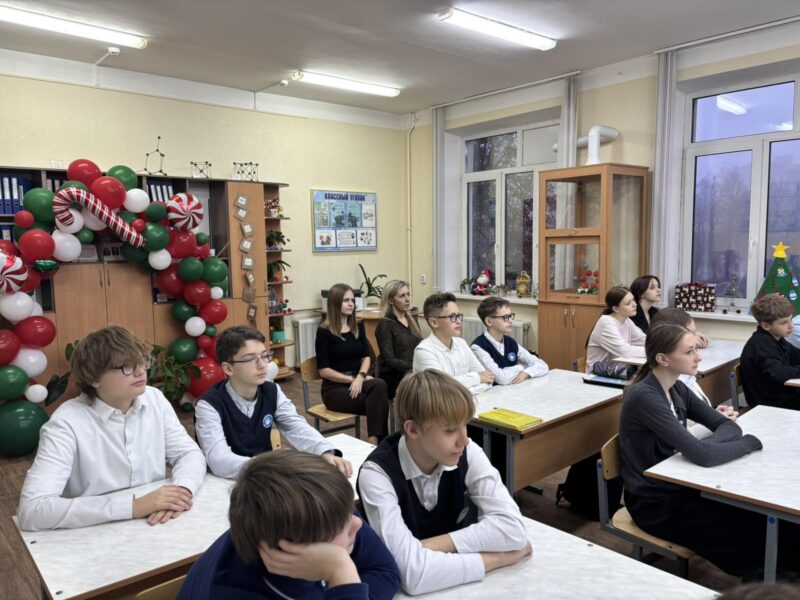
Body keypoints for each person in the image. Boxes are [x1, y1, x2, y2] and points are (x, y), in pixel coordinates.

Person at [620, 323, 800, 578]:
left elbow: (728, 427)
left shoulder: (677, 387)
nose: (699, 357)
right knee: (742, 529)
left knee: (759, 515)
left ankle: (779, 568)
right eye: (689, 352)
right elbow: (705, 455)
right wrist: (748, 443)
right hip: (655, 503)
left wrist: (700, 448)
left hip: (682, 485)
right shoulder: (645, 396)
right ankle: (767, 577)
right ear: (663, 359)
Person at [356, 370, 531, 595]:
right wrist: (499, 558)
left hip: (455, 585)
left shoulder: (467, 451)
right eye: (449, 430)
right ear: (413, 429)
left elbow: (513, 529)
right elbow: (412, 575)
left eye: (465, 425)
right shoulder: (377, 474)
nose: (464, 440)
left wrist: (431, 546)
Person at [17, 325, 206, 531]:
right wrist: (134, 506)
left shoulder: (153, 398)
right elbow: (32, 510)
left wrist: (182, 490)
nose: (140, 371)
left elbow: (188, 453)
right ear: (93, 378)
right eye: (126, 366)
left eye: (142, 361)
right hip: (95, 533)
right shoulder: (65, 423)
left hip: (159, 524)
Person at [178, 449, 401, 600]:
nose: (357, 523)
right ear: (293, 551)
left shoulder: (325, 511)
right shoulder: (233, 591)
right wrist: (341, 572)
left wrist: (343, 587)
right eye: (340, 525)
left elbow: (386, 571)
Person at [195, 325, 351, 479]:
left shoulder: (271, 390)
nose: (263, 365)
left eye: (264, 356)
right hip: (226, 480)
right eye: (250, 359)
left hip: (268, 476)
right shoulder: (208, 405)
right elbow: (219, 460)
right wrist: (272, 466)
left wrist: (325, 452)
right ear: (228, 369)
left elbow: (296, 426)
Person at [317, 283, 390, 444]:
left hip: (358, 382)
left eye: (352, 300)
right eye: (346, 300)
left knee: (379, 386)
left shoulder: (358, 328)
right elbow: (324, 370)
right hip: (334, 389)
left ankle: (374, 443)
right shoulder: (324, 332)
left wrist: (361, 377)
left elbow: (366, 357)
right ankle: (378, 445)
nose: (351, 304)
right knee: (379, 402)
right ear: (335, 303)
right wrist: (352, 380)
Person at [649, 308, 737, 420]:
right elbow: (680, 428)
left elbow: (692, 419)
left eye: (695, 333)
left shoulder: (685, 378)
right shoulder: (663, 389)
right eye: (691, 334)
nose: (696, 339)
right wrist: (716, 420)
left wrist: (714, 414)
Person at [413, 292, 494, 394]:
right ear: (434, 322)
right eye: (452, 317)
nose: (459, 321)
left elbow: (487, 378)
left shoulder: (461, 343)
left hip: (469, 401)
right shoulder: (424, 351)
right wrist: (476, 378)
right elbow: (442, 388)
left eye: (459, 315)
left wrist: (464, 387)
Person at [740, 294, 800, 410]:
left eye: (791, 319)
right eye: (784, 323)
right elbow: (779, 373)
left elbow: (797, 356)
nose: (791, 326)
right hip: (770, 403)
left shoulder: (777, 338)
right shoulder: (760, 344)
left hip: (783, 396)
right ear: (766, 325)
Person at [470, 295, 548, 385]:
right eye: (505, 317)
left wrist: (526, 373)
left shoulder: (510, 342)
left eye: (510, 316)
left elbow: (543, 365)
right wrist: (521, 367)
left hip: (512, 390)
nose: (510, 320)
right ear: (489, 321)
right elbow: (501, 379)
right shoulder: (478, 347)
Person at [629, 274, 710, 346]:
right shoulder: (632, 313)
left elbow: (670, 329)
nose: (658, 290)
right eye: (652, 288)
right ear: (640, 293)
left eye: (658, 286)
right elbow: (648, 338)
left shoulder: (655, 311)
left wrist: (693, 333)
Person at [375, 280, 423, 398]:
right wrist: (416, 367)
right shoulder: (385, 324)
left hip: (415, 374)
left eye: (408, 294)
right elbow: (390, 360)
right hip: (396, 377)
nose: (407, 299)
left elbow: (421, 346)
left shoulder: (412, 320)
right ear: (391, 300)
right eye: (402, 296)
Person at [585, 286, 646, 373]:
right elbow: (625, 351)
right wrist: (653, 351)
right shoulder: (607, 323)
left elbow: (642, 339)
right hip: (598, 375)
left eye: (633, 300)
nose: (634, 304)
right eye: (628, 303)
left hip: (617, 372)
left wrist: (660, 346)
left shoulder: (626, 320)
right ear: (616, 309)